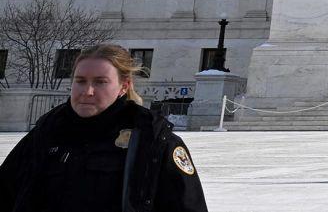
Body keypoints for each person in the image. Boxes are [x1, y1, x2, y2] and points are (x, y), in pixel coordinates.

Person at [0, 43, 209, 210]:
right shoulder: (47, 132)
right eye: (80, 81)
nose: (87, 91)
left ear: (123, 86)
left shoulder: (152, 140)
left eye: (100, 82)